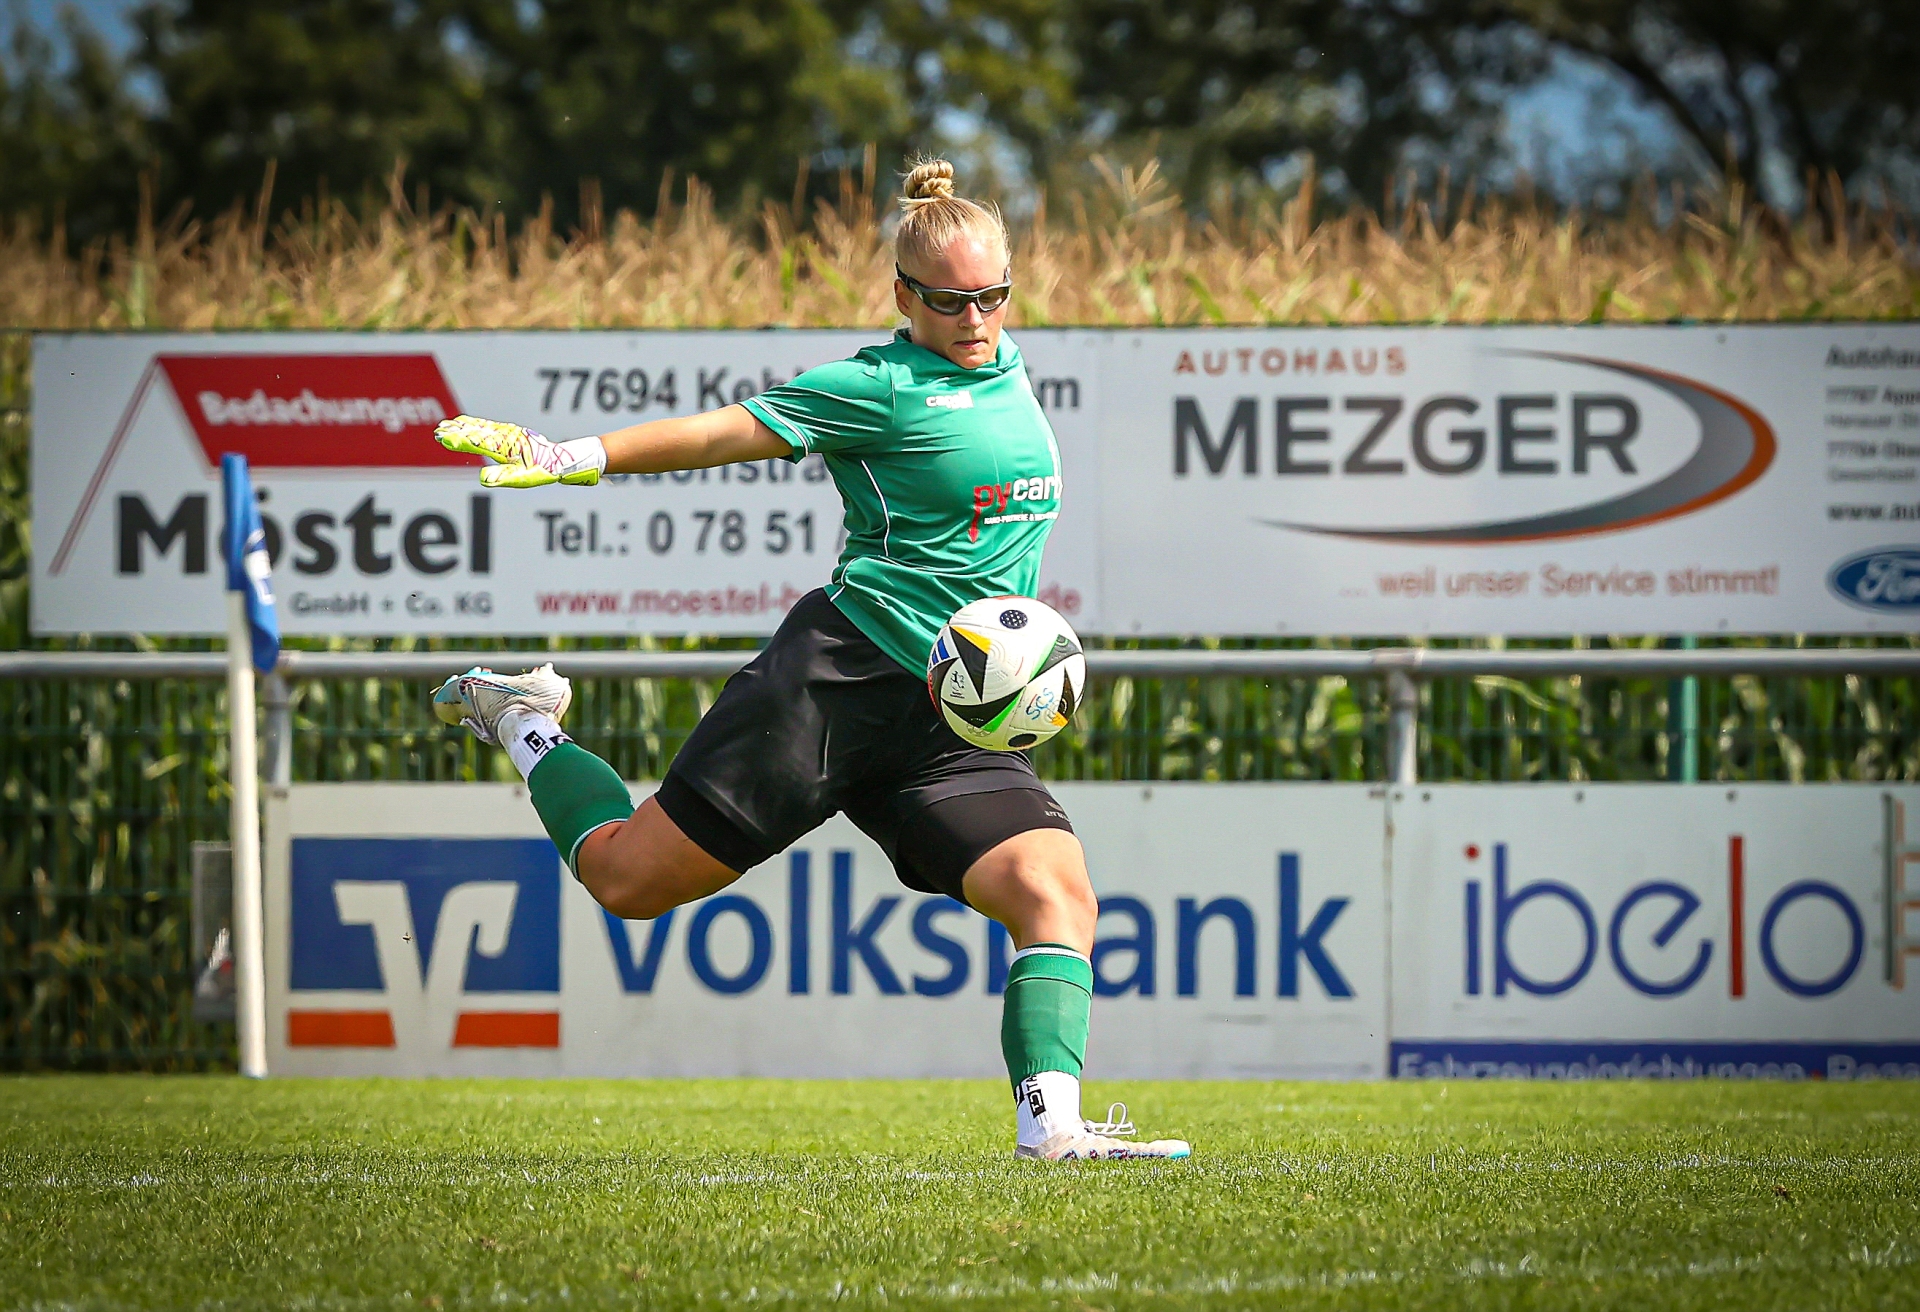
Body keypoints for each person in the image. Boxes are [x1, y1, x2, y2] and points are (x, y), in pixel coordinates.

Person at [430, 158, 1188, 1162]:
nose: (975, 318)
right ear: (903, 297)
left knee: (1057, 894)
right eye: (949, 300)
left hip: (954, 712)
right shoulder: (878, 388)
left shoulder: (1008, 364)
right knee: (625, 881)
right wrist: (573, 455)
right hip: (834, 687)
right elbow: (725, 431)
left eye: (993, 295)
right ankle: (523, 717)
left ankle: (1051, 1130)